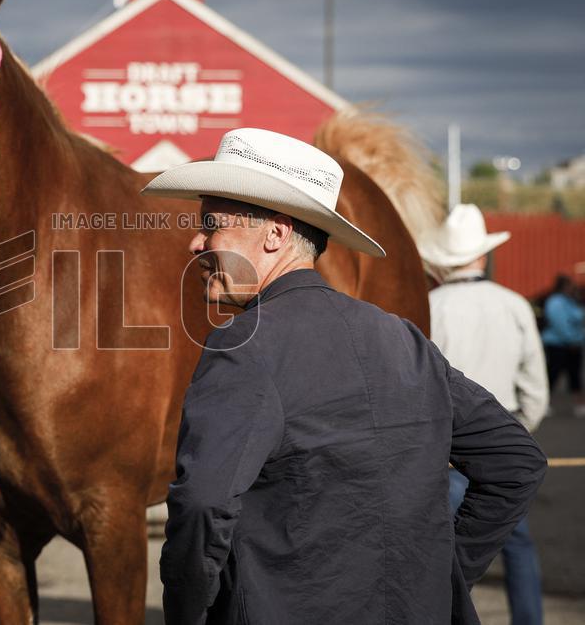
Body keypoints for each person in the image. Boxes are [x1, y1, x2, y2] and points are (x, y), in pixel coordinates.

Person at [142, 128, 548, 625]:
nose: (194, 242)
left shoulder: (243, 346)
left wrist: (185, 614)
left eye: (211, 224)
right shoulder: (402, 338)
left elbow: (203, 504)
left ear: (275, 233)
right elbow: (517, 461)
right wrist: (439, 576)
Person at [419, 203, 549, 625]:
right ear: (482, 254)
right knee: (516, 546)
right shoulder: (513, 305)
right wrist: (516, 433)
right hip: (503, 449)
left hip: (443, 451)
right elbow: (536, 389)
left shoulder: (427, 308)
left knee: (448, 553)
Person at [541, 274, 585, 417]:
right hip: (558, 345)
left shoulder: (572, 301)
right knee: (553, 374)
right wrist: (571, 340)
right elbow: (559, 323)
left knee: (575, 375)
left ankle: (579, 404)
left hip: (573, 345)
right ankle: (544, 403)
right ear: (563, 286)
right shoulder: (555, 302)